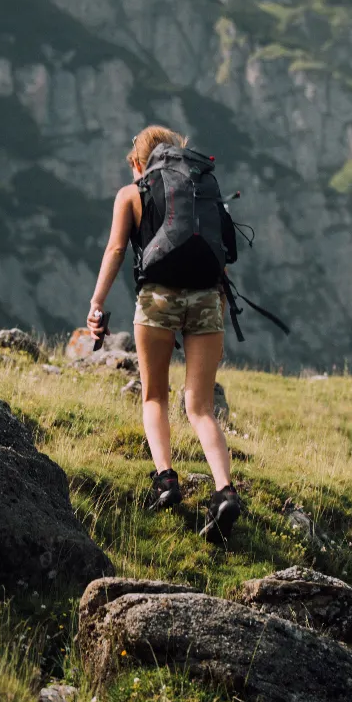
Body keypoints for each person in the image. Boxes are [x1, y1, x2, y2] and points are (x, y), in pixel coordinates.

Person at [86, 126, 243, 543]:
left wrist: (97, 304)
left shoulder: (131, 193)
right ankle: (225, 492)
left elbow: (117, 250)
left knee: (155, 395)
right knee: (202, 408)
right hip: (207, 298)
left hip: (157, 299)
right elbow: (223, 256)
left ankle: (166, 480)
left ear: (139, 162)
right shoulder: (203, 192)